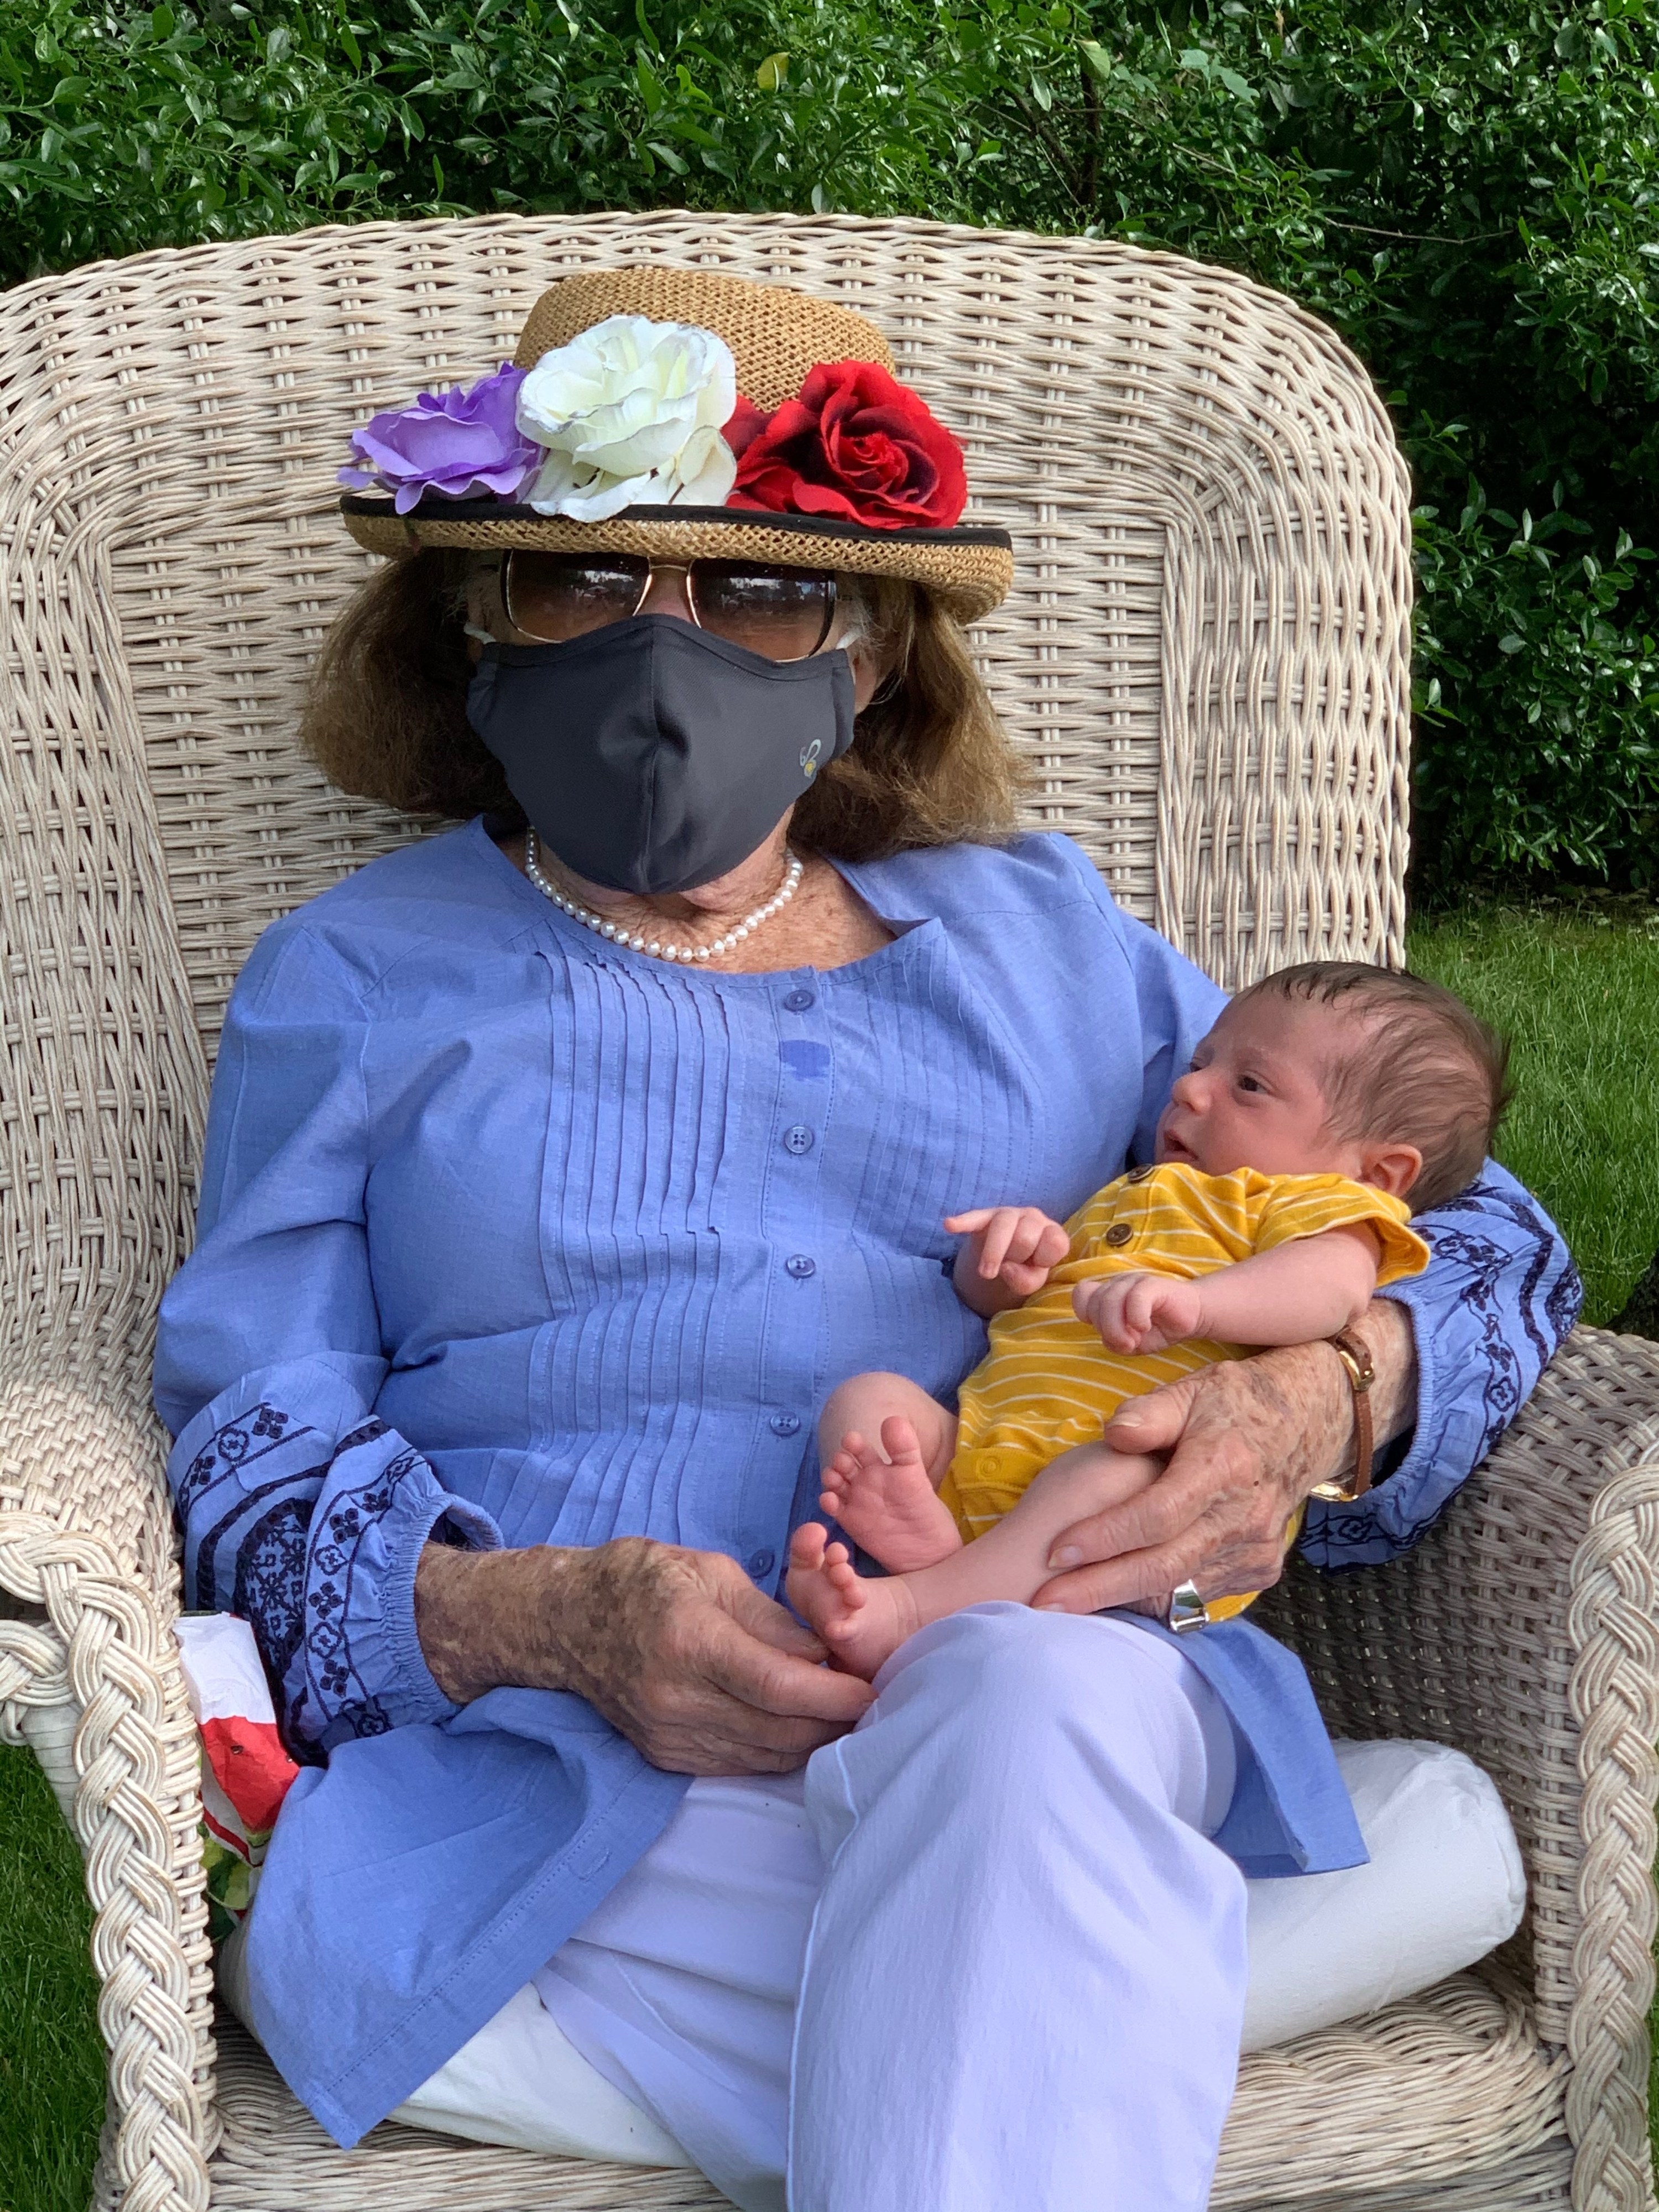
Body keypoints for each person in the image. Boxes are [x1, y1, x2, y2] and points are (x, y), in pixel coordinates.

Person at [152, 265, 1580, 2212]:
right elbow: (251, 1445)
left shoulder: (1049, 943)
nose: (667, 657)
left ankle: (974, 1969)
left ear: (878, 657)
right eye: (578, 584)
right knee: (1013, 1904)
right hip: (594, 1766)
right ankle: (1174, 1956)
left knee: (1022, 1706)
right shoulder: (355, 972)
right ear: (468, 637)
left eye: (761, 590)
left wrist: (1323, 1393)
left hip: (1035, 1664)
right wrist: (545, 1619)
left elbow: (1474, 1230)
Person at [786, 963, 1503, 1678]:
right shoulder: (1134, 1193)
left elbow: (1334, 1292)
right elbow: (1005, 1311)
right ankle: (953, 1567)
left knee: (1114, 1473)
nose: (1190, 1090)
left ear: (1377, 1175)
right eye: (1199, 1064)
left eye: (1249, 1086)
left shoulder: (1308, 1206)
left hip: (1158, 1540)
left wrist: (1202, 1304)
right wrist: (1003, 1270)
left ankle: (915, 1612)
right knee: (873, 1406)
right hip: (988, 1443)